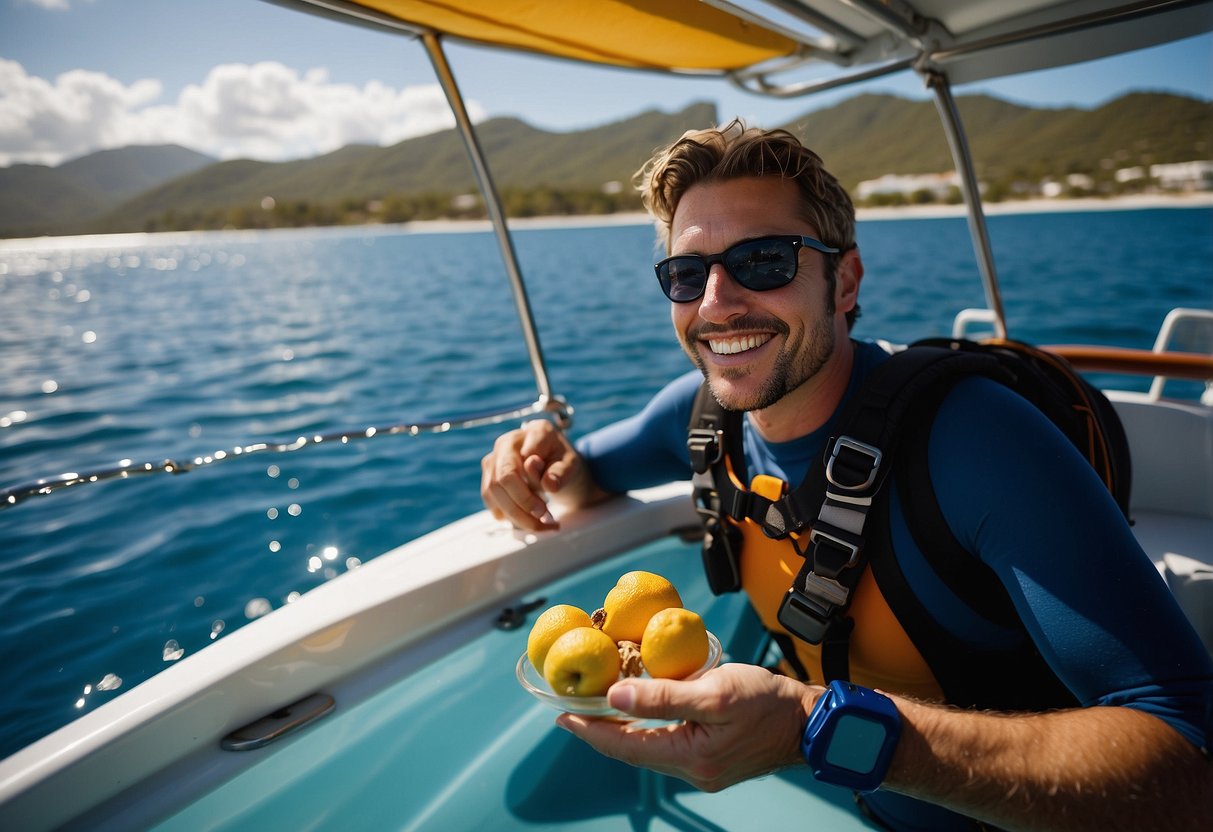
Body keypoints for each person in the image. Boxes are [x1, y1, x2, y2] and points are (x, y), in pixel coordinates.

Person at [480, 120, 1213, 831]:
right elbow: (585, 478)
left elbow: (1190, 769)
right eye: (684, 274)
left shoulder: (975, 440)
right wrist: (536, 457)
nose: (715, 303)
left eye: (763, 261)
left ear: (844, 279)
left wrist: (813, 728)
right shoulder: (698, 415)